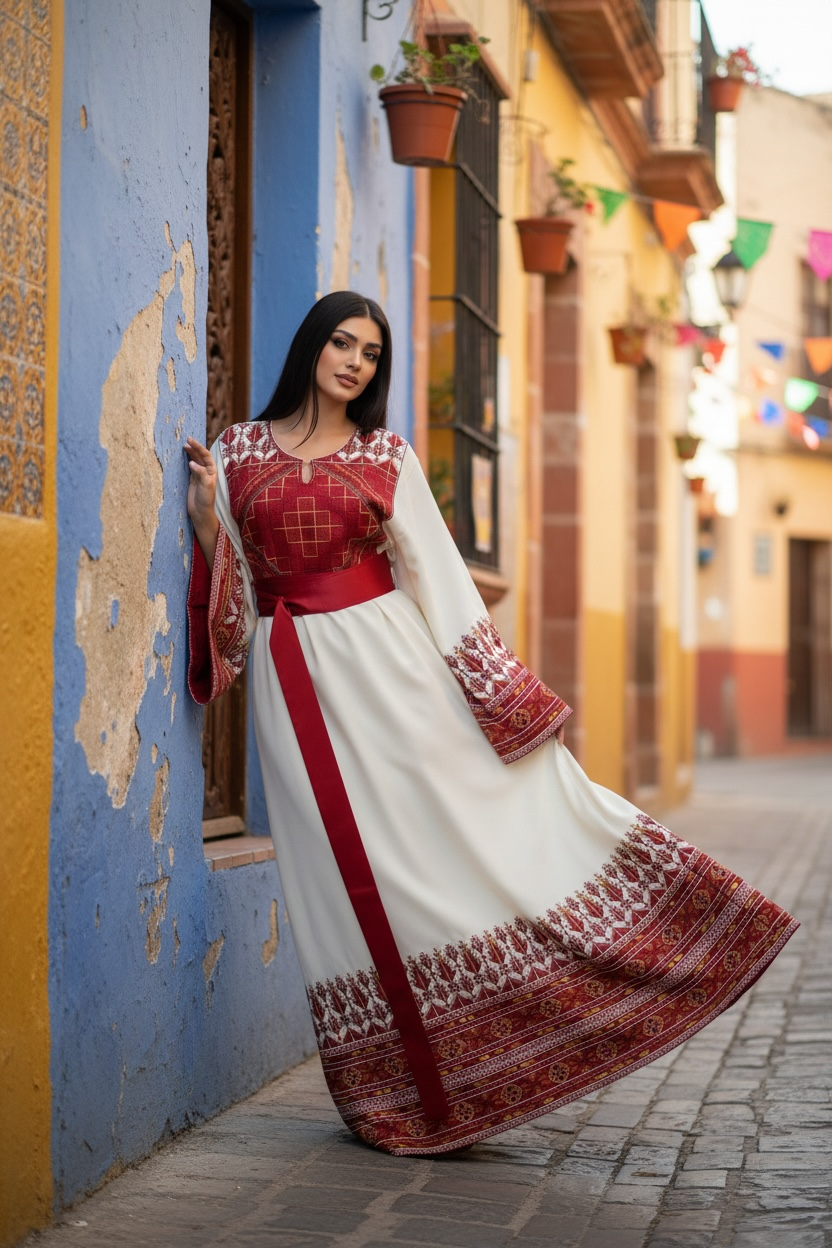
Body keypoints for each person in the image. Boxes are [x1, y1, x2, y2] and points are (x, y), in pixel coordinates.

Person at [185, 290, 797, 1156]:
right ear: (312, 345)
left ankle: (511, 1041)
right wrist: (209, 524)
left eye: (370, 353)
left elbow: (439, 579)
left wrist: (507, 704)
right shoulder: (237, 451)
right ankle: (393, 1088)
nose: (355, 362)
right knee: (333, 874)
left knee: (446, 841)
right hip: (294, 684)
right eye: (343, 343)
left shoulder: (387, 455)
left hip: (394, 675)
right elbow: (238, 598)